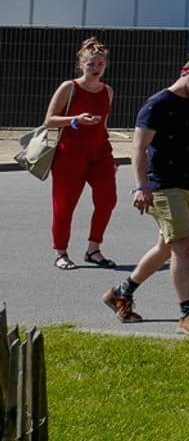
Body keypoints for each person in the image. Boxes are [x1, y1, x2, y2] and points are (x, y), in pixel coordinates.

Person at [103, 55, 189, 336]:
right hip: (162, 185)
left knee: (166, 247)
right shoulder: (157, 104)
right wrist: (141, 185)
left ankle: (121, 293)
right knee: (183, 246)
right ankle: (187, 314)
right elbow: (137, 148)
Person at [46, 38, 118, 271]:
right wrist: (75, 119)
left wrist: (112, 155)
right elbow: (49, 120)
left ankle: (93, 249)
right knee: (64, 205)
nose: (96, 69)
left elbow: (104, 125)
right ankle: (61, 252)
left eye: (100, 65)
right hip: (70, 153)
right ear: (81, 65)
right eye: (91, 65)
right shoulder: (70, 87)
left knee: (108, 200)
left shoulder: (107, 91)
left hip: (100, 153)